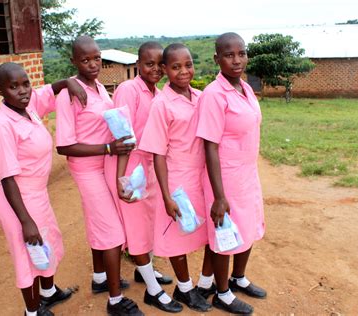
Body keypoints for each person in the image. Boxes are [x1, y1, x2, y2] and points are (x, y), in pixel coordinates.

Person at [0, 62, 87, 316]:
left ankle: (48, 292)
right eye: (13, 87)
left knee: (47, 242)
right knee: (27, 255)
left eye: (25, 83)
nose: (22, 91)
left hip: (37, 195)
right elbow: (8, 178)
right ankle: (32, 312)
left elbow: (48, 90)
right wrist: (26, 221)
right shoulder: (1, 126)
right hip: (17, 201)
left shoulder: (27, 108)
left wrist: (67, 82)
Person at [55, 36, 143, 316]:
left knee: (98, 224)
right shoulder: (69, 94)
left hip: (104, 165)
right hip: (87, 169)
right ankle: (115, 301)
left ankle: (100, 279)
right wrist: (107, 147)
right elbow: (64, 145)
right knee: (112, 232)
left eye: (96, 58)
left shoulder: (100, 88)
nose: (93, 64)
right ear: (74, 61)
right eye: (85, 60)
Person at [103, 41, 182, 313]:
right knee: (136, 229)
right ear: (138, 64)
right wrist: (121, 179)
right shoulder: (129, 90)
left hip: (147, 166)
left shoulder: (157, 92)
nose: (156, 69)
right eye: (149, 64)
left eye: (160, 64)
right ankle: (153, 290)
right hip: (130, 166)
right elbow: (122, 136)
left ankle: (144, 272)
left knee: (148, 224)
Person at [138, 43, 213, 313]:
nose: (184, 71)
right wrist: (167, 196)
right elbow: (158, 153)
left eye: (188, 64)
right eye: (176, 67)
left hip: (202, 176)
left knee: (208, 232)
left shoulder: (202, 96)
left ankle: (206, 283)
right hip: (176, 179)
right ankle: (185, 289)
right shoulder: (161, 104)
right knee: (177, 236)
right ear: (165, 70)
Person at [196, 32, 267, 314]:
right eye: (229, 55)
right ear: (217, 59)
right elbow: (209, 147)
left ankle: (238, 278)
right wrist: (219, 196)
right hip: (224, 177)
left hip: (247, 174)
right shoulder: (214, 95)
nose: (237, 60)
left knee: (248, 226)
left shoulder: (245, 88)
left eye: (241, 53)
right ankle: (221, 293)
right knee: (225, 234)